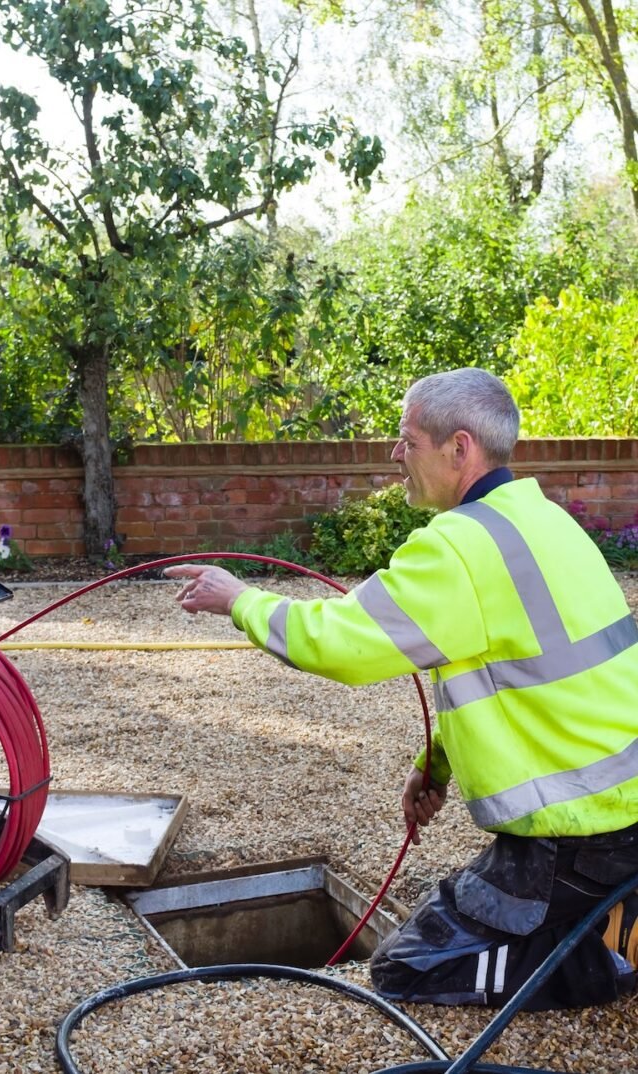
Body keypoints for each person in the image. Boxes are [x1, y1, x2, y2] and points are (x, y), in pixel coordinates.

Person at [164, 367, 638, 1010]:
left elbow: (339, 642)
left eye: (406, 440)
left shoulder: (461, 547)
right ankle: (610, 916)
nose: (395, 454)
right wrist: (435, 763)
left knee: (405, 971)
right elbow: (522, 679)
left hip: (580, 837)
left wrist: (239, 599)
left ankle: (605, 966)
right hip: (621, 809)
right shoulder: (542, 520)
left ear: (459, 448)